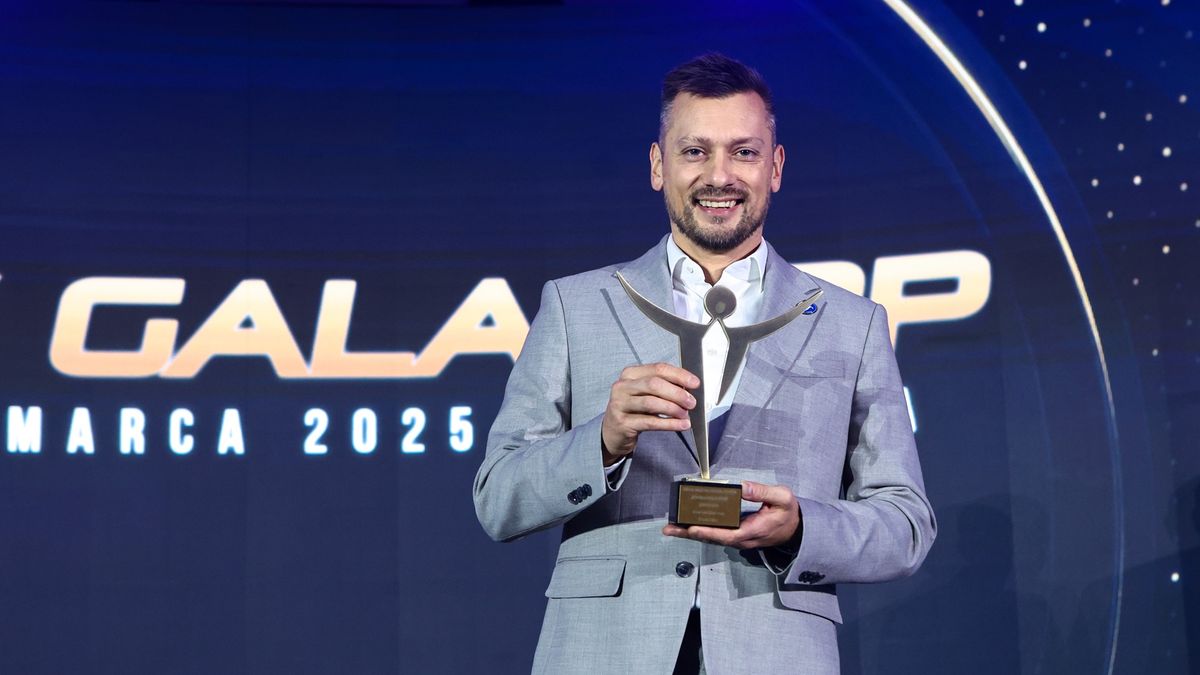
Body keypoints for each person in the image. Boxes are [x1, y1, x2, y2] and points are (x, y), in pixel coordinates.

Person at [473, 53, 935, 675]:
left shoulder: (852, 323)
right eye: (695, 151)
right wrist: (603, 442)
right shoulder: (575, 306)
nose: (720, 175)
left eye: (743, 152)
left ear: (775, 167)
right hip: (605, 651)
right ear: (658, 165)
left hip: (775, 652)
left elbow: (905, 524)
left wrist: (802, 528)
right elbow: (498, 499)